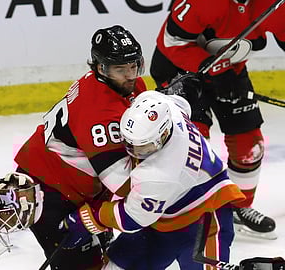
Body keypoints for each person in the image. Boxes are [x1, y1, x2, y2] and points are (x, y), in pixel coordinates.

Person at [60, 90, 246, 269]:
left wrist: (89, 218)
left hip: (205, 219)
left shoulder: (159, 174)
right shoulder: (164, 106)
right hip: (161, 214)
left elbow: (130, 219)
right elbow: (183, 104)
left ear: (163, 135)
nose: (135, 152)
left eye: (144, 147)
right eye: (129, 143)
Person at [13, 25, 147, 269]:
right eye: (120, 68)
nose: (130, 75)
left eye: (133, 65)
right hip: (47, 193)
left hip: (77, 185)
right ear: (100, 68)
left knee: (105, 256)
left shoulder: (123, 85)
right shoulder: (99, 112)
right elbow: (125, 184)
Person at [149, 0, 278, 239]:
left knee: (251, 146)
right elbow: (172, 42)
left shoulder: (275, 4)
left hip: (229, 69)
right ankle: (189, 215)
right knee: (193, 149)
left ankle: (237, 207)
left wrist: (222, 73)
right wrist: (213, 70)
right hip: (179, 68)